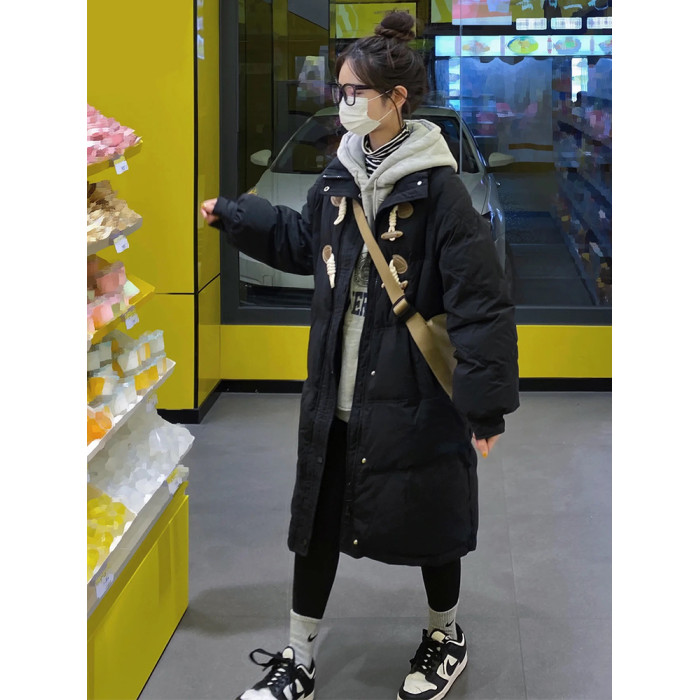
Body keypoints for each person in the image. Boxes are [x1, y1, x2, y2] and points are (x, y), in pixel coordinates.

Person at [201, 10, 519, 700]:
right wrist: (237, 215)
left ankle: (445, 635)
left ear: (395, 99)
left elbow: (480, 301)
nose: (342, 103)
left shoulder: (440, 191)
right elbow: (301, 243)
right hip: (335, 387)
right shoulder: (339, 175)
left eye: (354, 92)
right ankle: (297, 656)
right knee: (315, 523)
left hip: (414, 392)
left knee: (431, 514)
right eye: (340, 91)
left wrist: (485, 405)